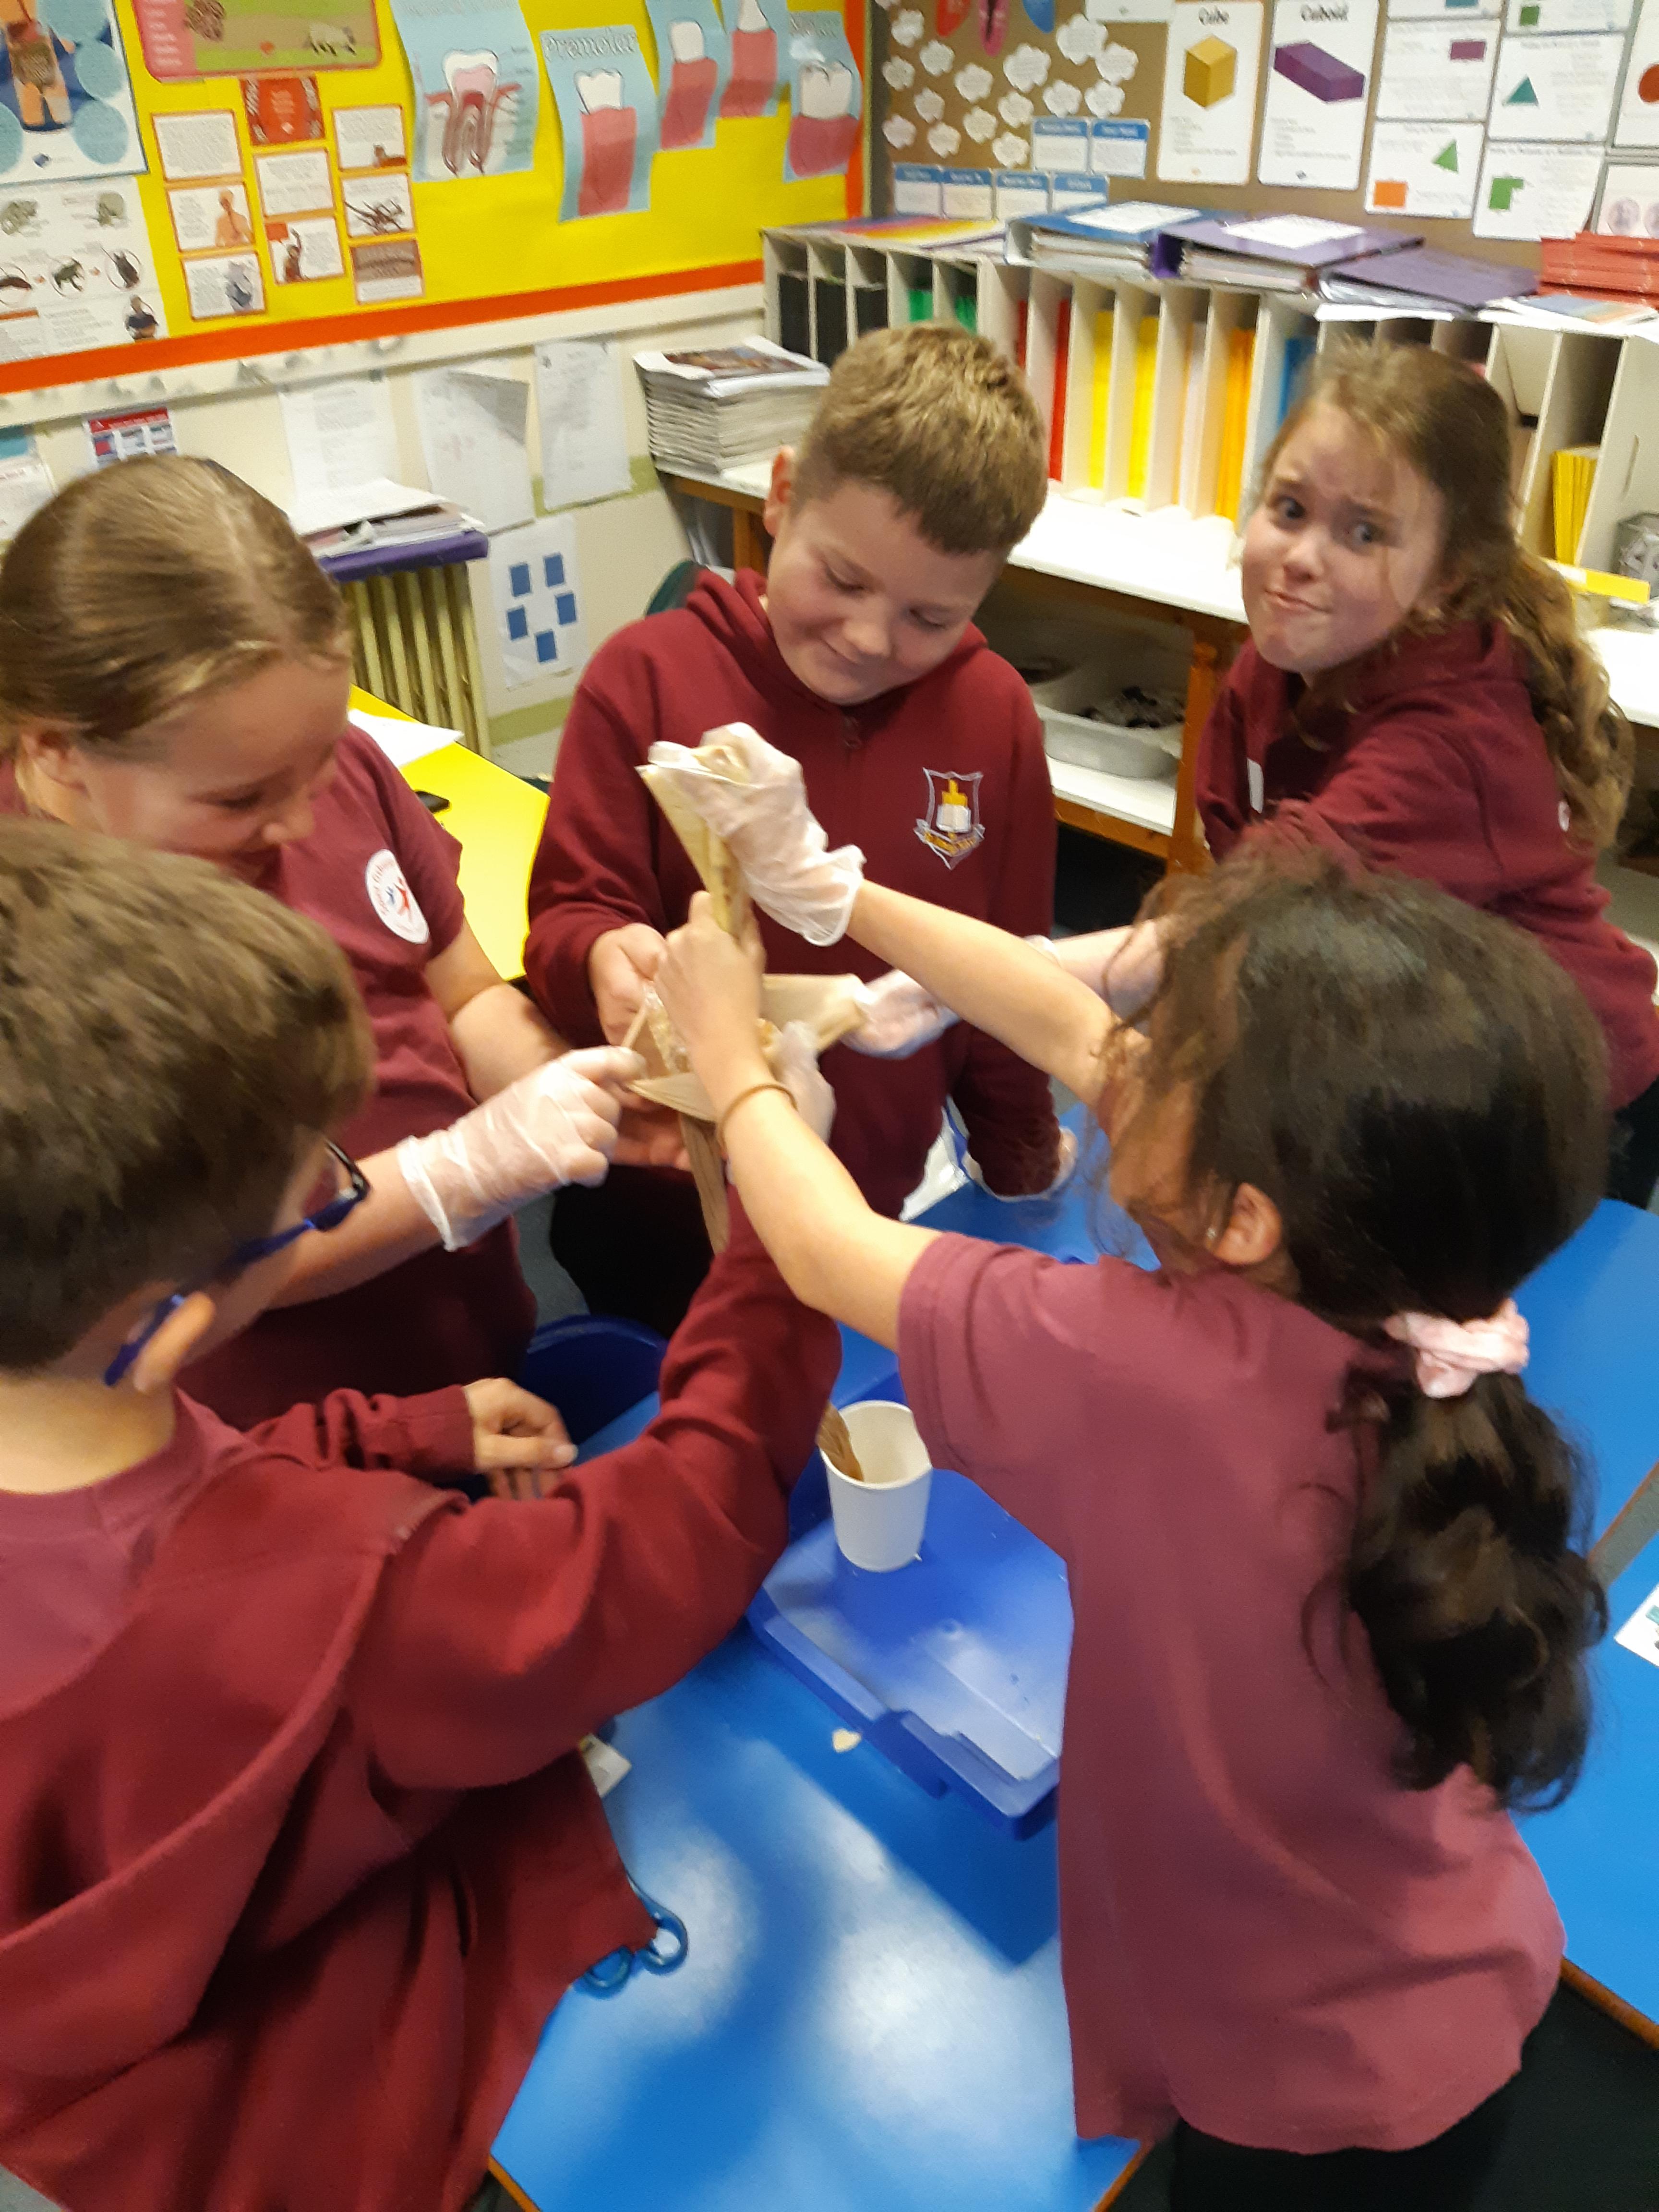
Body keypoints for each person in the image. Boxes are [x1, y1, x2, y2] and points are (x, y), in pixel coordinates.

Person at [642, 725, 1611, 2211]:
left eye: (1165, 1051)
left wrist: (730, 1064)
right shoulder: (1416, 1295)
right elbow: (1065, 1018)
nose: (1119, 1056)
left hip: (1308, 2097)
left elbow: (829, 1252)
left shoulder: (1140, 1371)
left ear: (1240, 1214)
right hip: (1457, 1970)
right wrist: (829, 890)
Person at [0, 818, 838, 2212]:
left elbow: (182, 1476)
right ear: (170, 1325)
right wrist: (779, 1228)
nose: (350, 1181)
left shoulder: (66, 1420)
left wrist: (386, 1431)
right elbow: (665, 1543)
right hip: (251, 2128)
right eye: (322, 1194)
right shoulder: (335, 1594)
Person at [0, 457, 643, 1425]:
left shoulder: (336, 771)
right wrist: (462, 1170)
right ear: (57, 751)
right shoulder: (36, 946)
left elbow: (466, 994)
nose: (302, 821)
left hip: (464, 1341)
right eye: (241, 799)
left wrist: (575, 1093)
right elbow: (190, 1271)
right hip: (277, 1425)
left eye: (322, 758)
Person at [523, 322, 1067, 1336]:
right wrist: (598, 956)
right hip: (667, 1218)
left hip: (876, 1216)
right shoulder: (644, 678)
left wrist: (1018, 1161)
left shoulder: (994, 715)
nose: (868, 637)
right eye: (844, 581)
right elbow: (567, 912)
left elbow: (1013, 976)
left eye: (929, 619)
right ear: (780, 496)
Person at [1197, 339, 1659, 1205]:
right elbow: (1241, 894)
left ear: (1445, 578)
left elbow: (1256, 902)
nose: (1301, 557)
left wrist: (1021, 972)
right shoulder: (1271, 666)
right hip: (1410, 1044)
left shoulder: (1455, 739)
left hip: (1560, 1100)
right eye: (1289, 508)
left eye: (1364, 533)